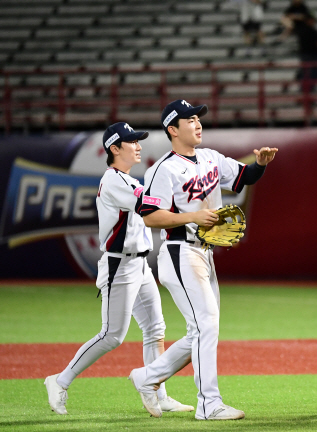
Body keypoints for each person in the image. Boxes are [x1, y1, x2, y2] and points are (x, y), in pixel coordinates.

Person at [126, 100, 278, 421]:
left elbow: (243, 176)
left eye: (198, 118)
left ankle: (148, 376)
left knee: (202, 330)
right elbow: (150, 217)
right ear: (172, 129)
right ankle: (208, 404)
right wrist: (193, 215)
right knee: (206, 325)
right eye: (189, 119)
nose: (197, 123)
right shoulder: (163, 169)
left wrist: (260, 165)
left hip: (204, 254)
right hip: (180, 252)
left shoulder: (210, 157)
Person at [44, 123, 193, 415]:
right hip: (120, 265)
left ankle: (156, 391)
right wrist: (190, 212)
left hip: (139, 264)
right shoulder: (114, 180)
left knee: (155, 329)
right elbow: (150, 207)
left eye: (138, 141)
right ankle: (59, 381)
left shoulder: (127, 179)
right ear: (115, 148)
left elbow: (153, 202)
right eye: (132, 141)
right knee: (112, 334)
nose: (138, 146)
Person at [296, 14, 317, 92]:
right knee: (312, 74)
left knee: (305, 74)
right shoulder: (314, 32)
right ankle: (309, 91)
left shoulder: (301, 31)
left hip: (305, 55)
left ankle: (305, 91)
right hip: (312, 55)